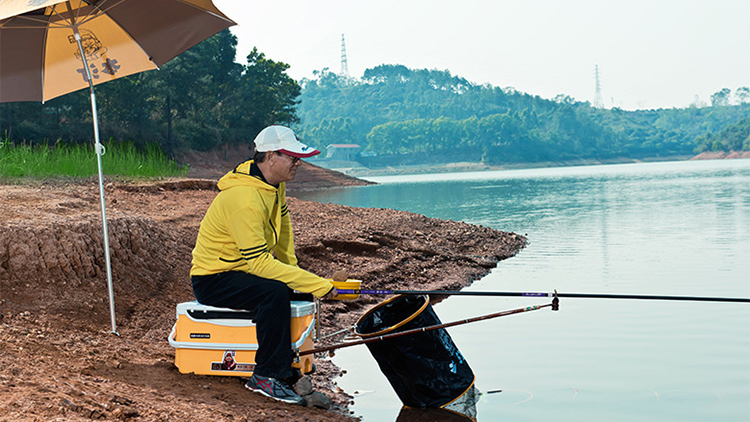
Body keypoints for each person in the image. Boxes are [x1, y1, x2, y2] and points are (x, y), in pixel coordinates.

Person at [190, 125, 337, 406]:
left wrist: (297, 278)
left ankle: (286, 368)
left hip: (241, 270)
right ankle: (266, 376)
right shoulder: (244, 198)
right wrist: (321, 285)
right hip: (213, 278)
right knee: (272, 293)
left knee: (294, 291)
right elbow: (258, 263)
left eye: (299, 157)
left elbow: (283, 233)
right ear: (271, 157)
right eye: (293, 158)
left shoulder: (273, 185)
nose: (299, 163)